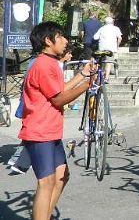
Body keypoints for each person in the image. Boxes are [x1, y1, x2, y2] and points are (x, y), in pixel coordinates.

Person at [19, 22, 97, 220]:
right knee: (46, 182)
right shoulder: (44, 65)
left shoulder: (49, 62)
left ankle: (42, 216)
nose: (65, 41)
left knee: (62, 176)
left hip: (50, 132)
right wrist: (87, 85)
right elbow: (59, 99)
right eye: (60, 36)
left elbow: (59, 89)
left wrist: (83, 75)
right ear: (48, 41)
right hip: (40, 132)